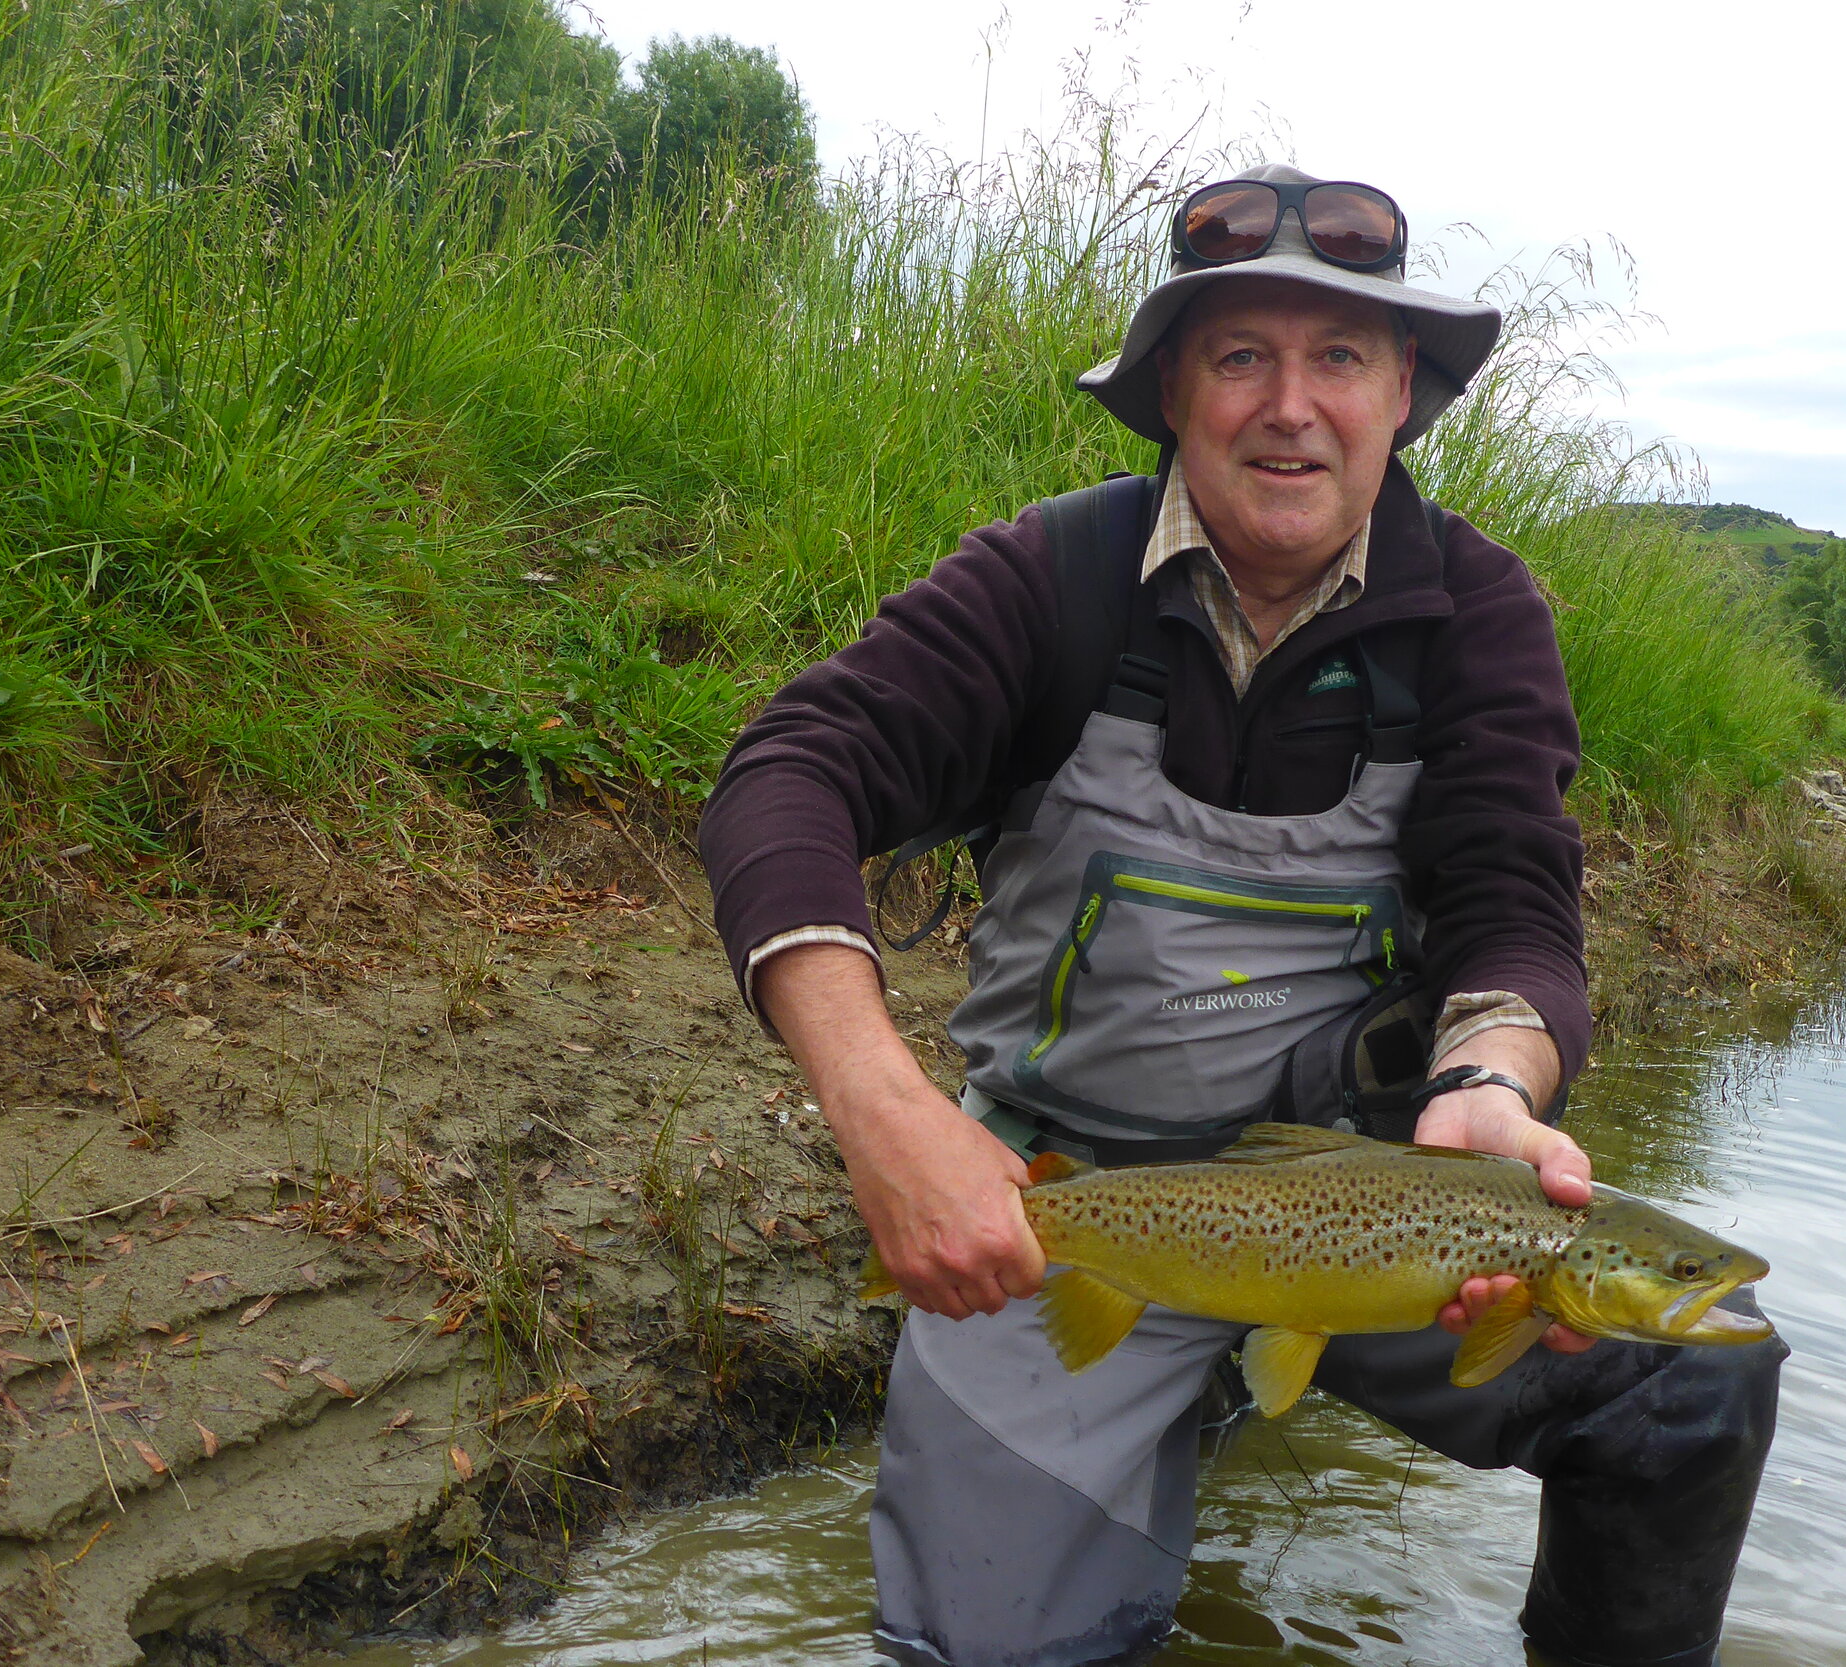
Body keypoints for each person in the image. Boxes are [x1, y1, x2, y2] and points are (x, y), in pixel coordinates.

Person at [699, 164, 1785, 1667]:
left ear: (1402, 390)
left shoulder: (1478, 617)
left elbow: (1514, 902)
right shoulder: (1049, 581)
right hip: (1064, 1213)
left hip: (1375, 1205)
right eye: (1241, 357)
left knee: (1690, 1389)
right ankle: (1143, 1426)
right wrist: (881, 1109)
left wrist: (1490, 1084)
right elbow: (788, 776)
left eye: (1339, 356)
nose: (1292, 405)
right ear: (1170, 394)